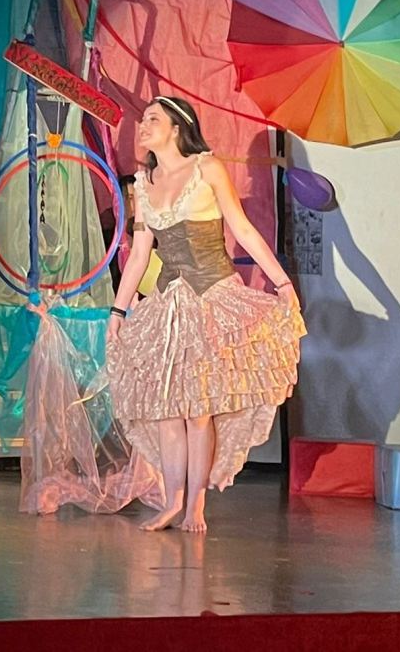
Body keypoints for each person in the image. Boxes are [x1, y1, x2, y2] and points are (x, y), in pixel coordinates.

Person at [106, 96, 305, 533]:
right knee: (165, 410)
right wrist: (118, 309)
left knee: (198, 411)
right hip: (167, 303)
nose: (143, 126)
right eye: (143, 120)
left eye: (153, 119)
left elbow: (242, 229)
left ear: (177, 128)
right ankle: (171, 501)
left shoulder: (206, 169)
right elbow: (140, 254)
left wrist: (282, 283)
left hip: (211, 297)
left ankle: (195, 504)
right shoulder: (144, 183)